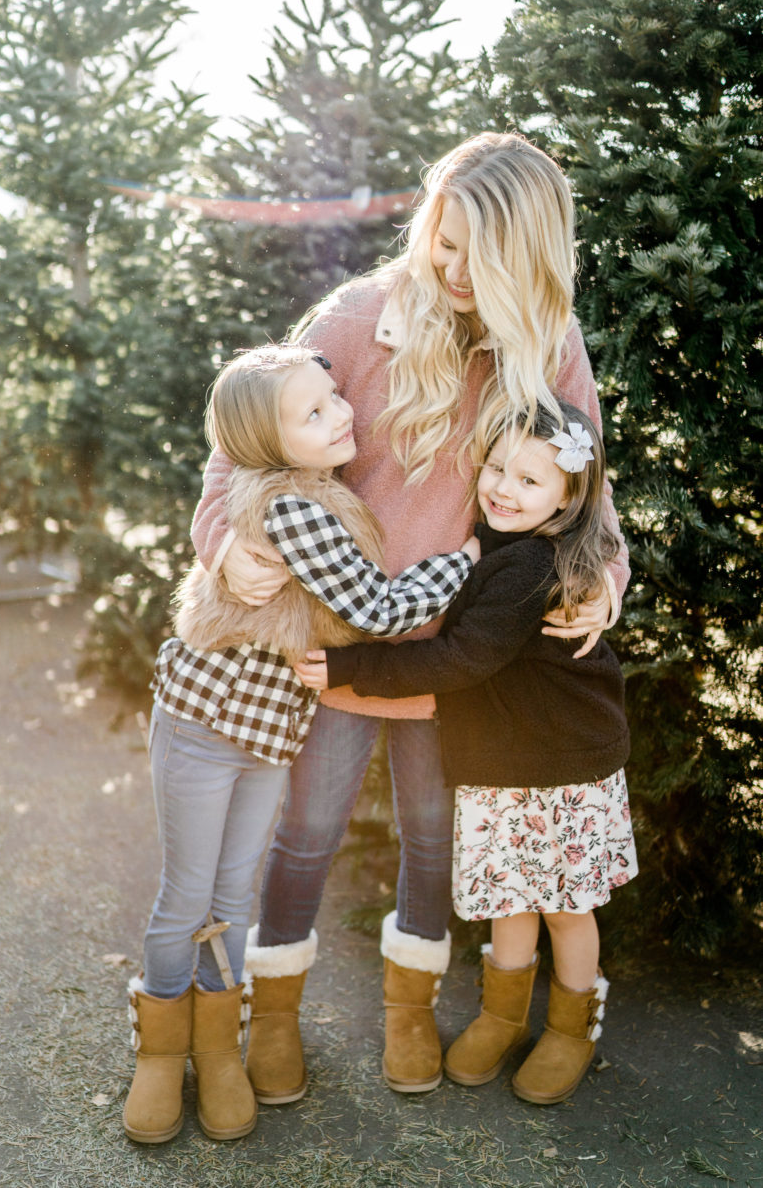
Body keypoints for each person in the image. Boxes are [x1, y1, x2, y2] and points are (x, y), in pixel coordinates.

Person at [189, 132, 631, 1099]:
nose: (459, 270)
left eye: (486, 252)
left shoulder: (547, 346)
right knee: (308, 831)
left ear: (532, 253)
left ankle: (409, 1014)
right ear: (427, 225)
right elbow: (242, 445)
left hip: (454, 658)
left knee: (435, 835)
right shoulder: (357, 318)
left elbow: (587, 489)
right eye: (446, 242)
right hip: (337, 647)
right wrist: (228, 541)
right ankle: (274, 1017)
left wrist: (600, 579)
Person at [123, 345, 476, 1145]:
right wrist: (468, 561)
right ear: (268, 444)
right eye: (314, 413)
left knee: (233, 897)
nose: (343, 413)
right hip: (208, 723)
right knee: (188, 894)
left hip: (271, 732)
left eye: (334, 398)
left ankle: (217, 1049)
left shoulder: (323, 489)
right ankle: (158, 1048)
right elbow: (378, 608)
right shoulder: (294, 508)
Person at [296, 399, 638, 1106]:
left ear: (572, 499)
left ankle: (574, 1025)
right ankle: (503, 1015)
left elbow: (456, 661)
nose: (505, 489)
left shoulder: (527, 570)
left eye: (531, 482)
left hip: (562, 772)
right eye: (498, 468)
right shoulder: (495, 545)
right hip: (501, 766)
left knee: (567, 909)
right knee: (509, 899)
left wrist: (350, 665)